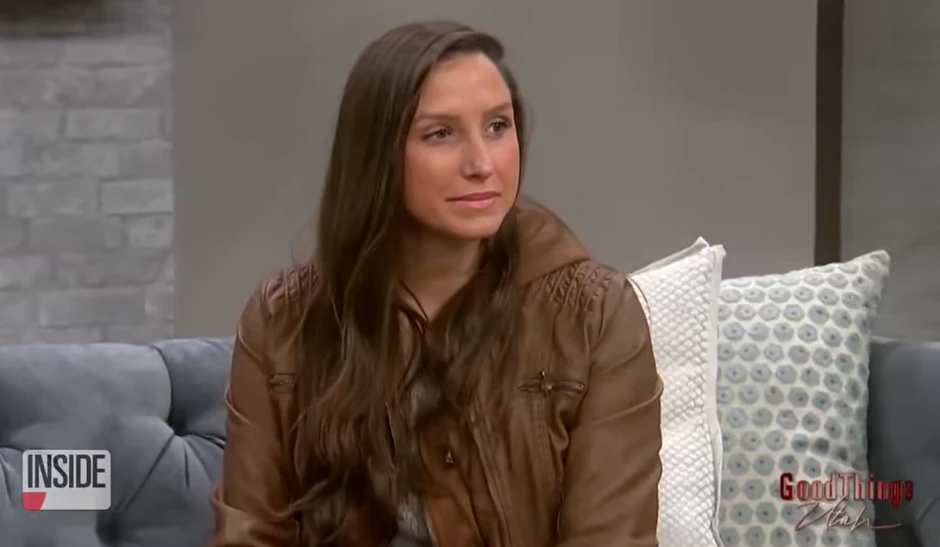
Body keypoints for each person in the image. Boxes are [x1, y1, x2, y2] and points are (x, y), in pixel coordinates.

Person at [208, 20, 663, 547]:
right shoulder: (282, 319)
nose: (482, 163)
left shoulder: (596, 316)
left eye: (498, 126)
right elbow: (249, 534)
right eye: (440, 134)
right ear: (376, 154)